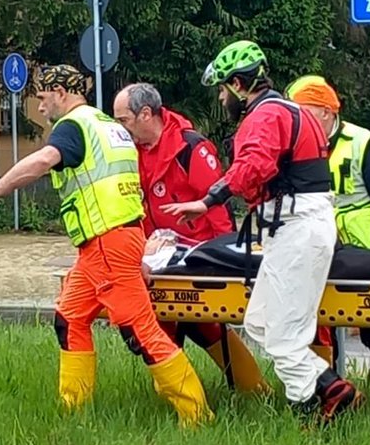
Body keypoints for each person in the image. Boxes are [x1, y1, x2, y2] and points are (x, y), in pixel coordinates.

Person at [0, 65, 212, 428]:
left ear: (62, 93)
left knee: (140, 330)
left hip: (108, 243)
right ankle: (73, 410)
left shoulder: (73, 126)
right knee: (70, 318)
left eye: (43, 98)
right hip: (108, 243)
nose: (39, 107)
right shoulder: (109, 126)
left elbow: (42, 161)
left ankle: (196, 415)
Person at [163, 41, 361, 421]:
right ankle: (330, 386)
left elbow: (254, 165)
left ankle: (313, 410)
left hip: (296, 228)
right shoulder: (291, 111)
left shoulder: (265, 116)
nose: (221, 98)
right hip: (297, 225)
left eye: (223, 90)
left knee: (285, 337)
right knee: (259, 320)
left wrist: (208, 200)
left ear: (238, 84)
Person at [113, 81, 269, 395]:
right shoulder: (132, 152)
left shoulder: (189, 148)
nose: (120, 129)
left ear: (146, 114)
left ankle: (250, 390)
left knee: (203, 324)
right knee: (157, 324)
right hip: (156, 256)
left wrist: (225, 259)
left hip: (198, 255)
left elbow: (216, 207)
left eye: (123, 120)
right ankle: (180, 395)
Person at [287, 75, 370, 410]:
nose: (296, 122)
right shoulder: (295, 148)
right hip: (320, 252)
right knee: (317, 327)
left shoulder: (364, 143)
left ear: (325, 111)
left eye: (302, 112)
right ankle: (329, 399)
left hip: (367, 252)